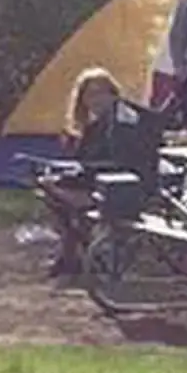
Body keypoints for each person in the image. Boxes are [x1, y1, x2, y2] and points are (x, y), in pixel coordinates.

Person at [37, 67, 123, 277]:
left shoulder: (121, 126)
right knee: (47, 187)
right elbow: (80, 163)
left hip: (108, 185)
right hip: (89, 179)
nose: (96, 100)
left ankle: (72, 253)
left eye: (101, 93)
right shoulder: (92, 129)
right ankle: (71, 251)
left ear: (113, 95)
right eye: (89, 95)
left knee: (56, 193)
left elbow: (113, 162)